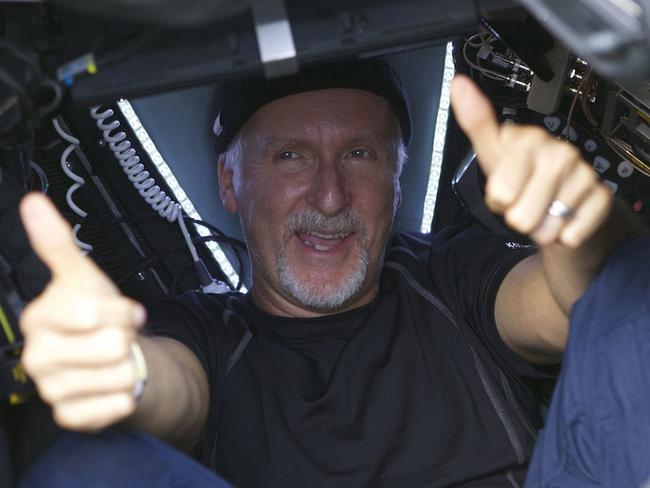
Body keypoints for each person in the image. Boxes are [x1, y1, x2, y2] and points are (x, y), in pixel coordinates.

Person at [16, 60, 649, 487]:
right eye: (290, 156)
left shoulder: (447, 275)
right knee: (87, 462)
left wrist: (586, 230)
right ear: (230, 185)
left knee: (631, 288)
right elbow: (172, 392)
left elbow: (573, 309)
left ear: (397, 182)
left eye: (359, 154)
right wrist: (124, 377)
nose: (328, 196)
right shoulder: (202, 331)